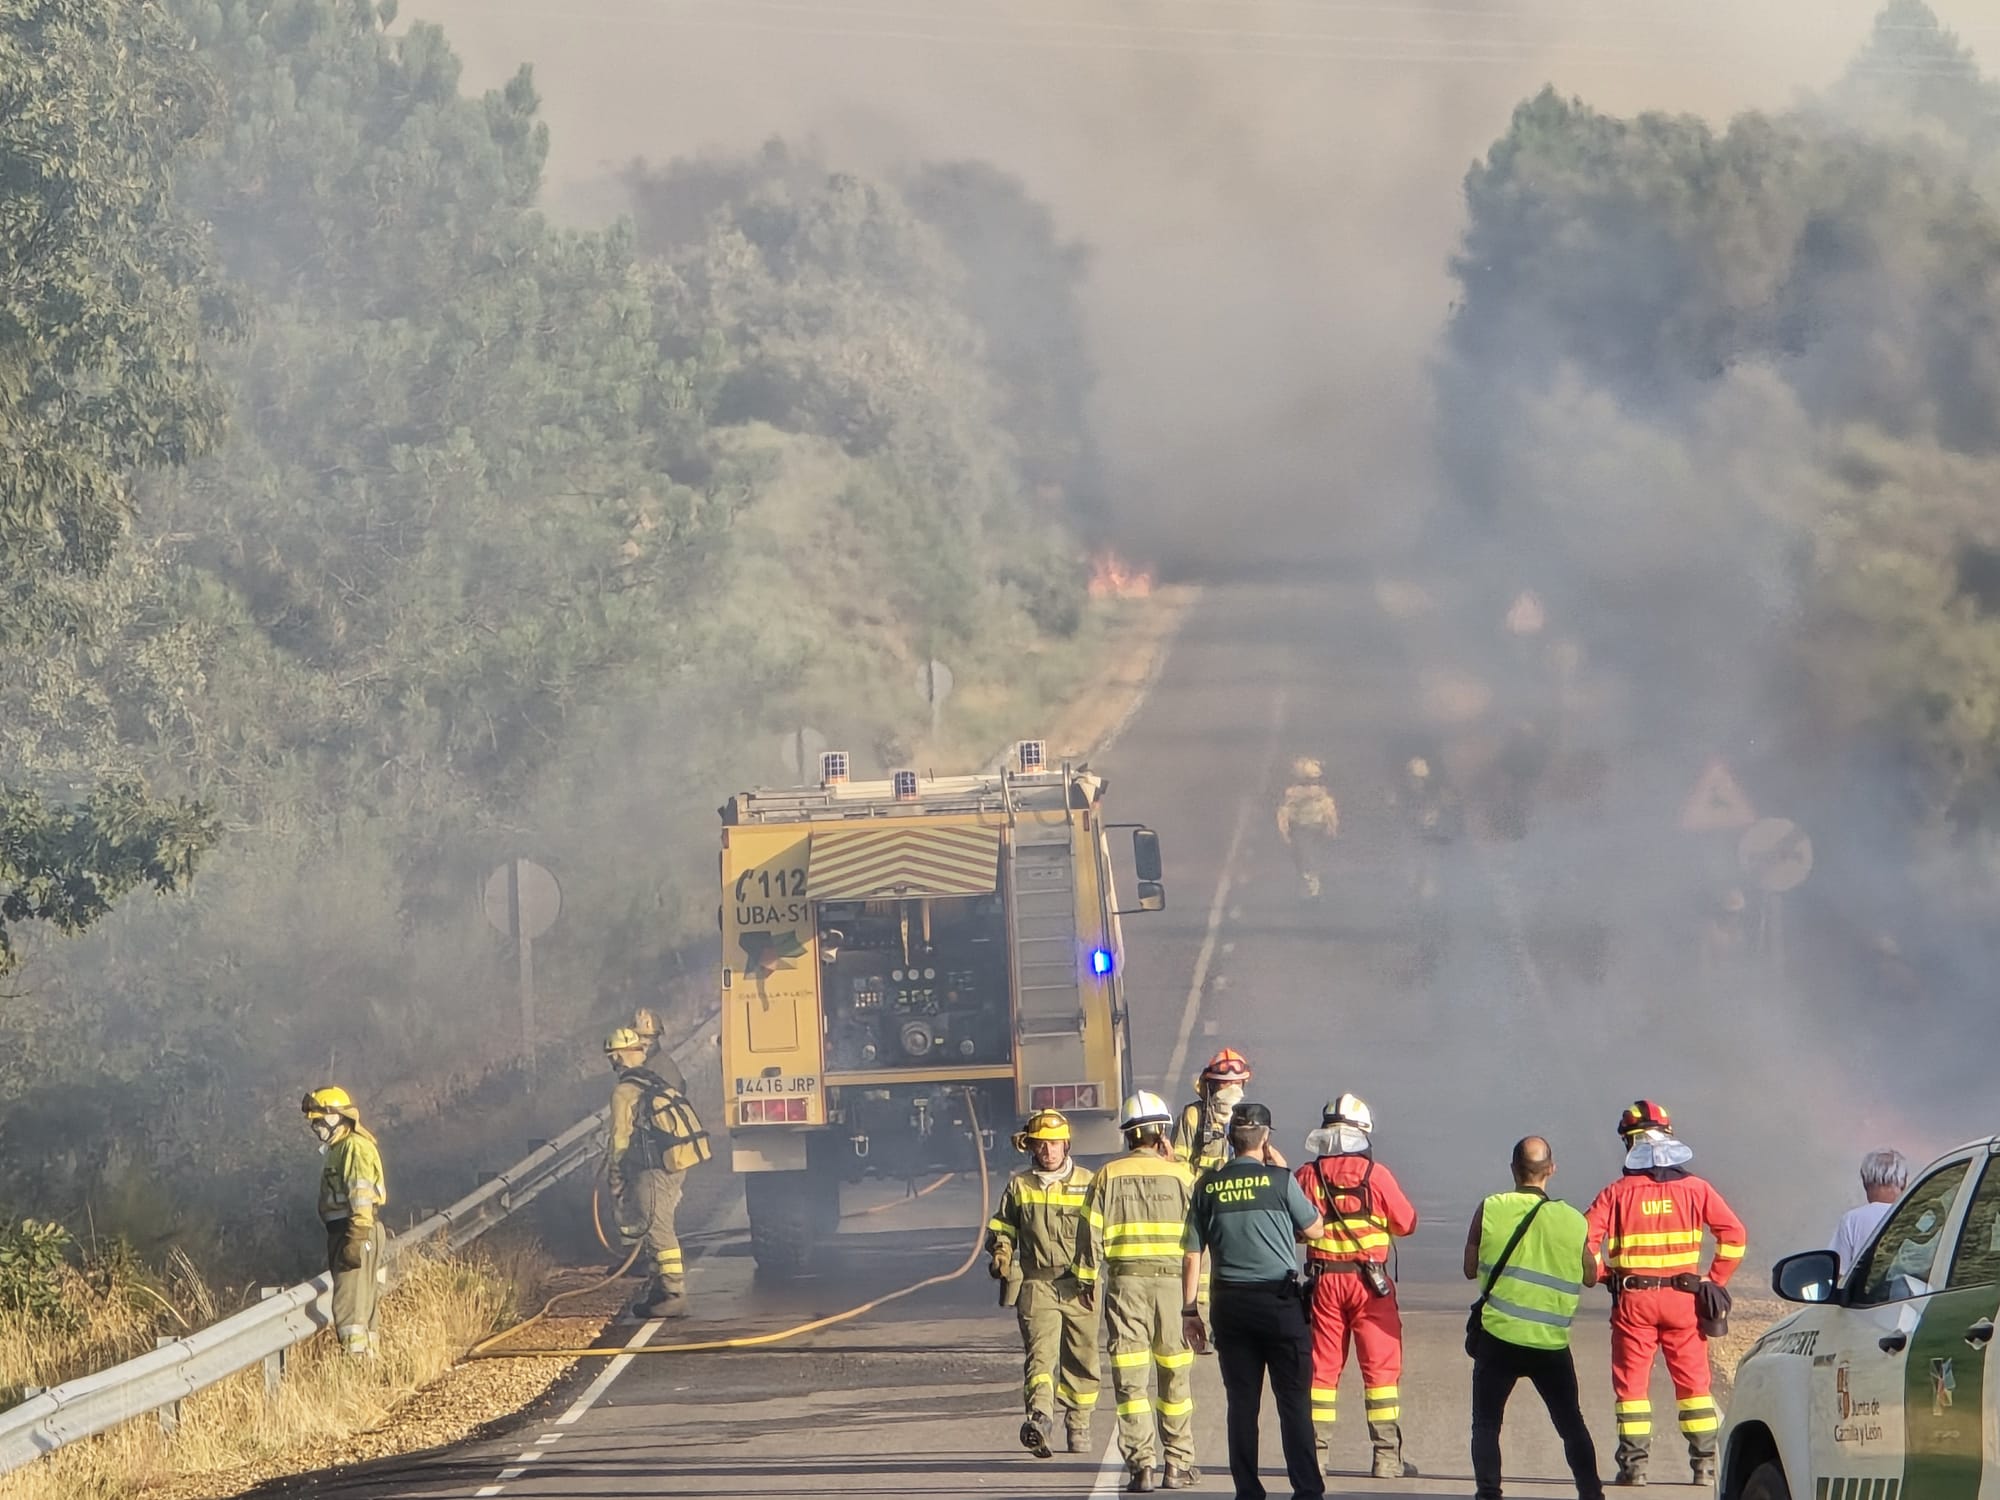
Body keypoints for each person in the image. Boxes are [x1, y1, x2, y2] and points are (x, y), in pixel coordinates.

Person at [1584, 1100, 1746, 1488]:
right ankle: (1704, 1466)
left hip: (1634, 1302)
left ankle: (1634, 1468)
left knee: (1632, 1387)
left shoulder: (1616, 1192)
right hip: (1685, 1302)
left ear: (1630, 1143)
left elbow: (1584, 1244)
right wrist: (1715, 1280)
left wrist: (1605, 1274)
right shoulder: (1697, 1189)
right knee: (1694, 1386)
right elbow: (1734, 1236)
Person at [1183, 1102, 1326, 1500]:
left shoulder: (1207, 1187)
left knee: (1242, 1404)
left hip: (1230, 1307)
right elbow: (1316, 1230)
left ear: (1230, 1140)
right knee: (1294, 1402)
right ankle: (1307, 1489)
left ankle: (1248, 1490)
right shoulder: (1280, 1181)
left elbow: (1193, 1253)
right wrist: (1281, 1167)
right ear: (1264, 1138)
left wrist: (1189, 1310)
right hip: (1279, 1305)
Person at [1465, 1137, 1604, 1500]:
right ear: (1551, 1170)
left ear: (1513, 1169)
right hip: (1550, 1343)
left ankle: (1489, 1494)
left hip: (1498, 1339)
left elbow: (1469, 1269)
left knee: (1486, 1425)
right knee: (1571, 1424)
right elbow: (1591, 1276)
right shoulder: (1574, 1221)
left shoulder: (1490, 1207)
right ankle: (1592, 1494)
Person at [1074, 1090, 1199, 1493]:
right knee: (1174, 1377)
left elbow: (1089, 1233)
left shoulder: (1107, 1175)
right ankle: (1177, 1465)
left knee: (1130, 1379)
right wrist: (1201, 1302)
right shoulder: (1182, 1175)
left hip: (1126, 1286)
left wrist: (1086, 1279)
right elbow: (1200, 1244)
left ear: (1127, 1135)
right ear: (1163, 1131)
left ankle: (1141, 1466)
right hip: (1175, 1288)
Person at [1294, 1094, 1420, 1479]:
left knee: (1321, 1371)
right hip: (1370, 1286)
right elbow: (1407, 1222)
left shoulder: (1306, 1175)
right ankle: (1386, 1459)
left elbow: (1296, 1230)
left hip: (1323, 1284)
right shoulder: (1376, 1175)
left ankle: (1315, 1457)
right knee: (1381, 1371)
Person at [987, 1108, 1100, 1458]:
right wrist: (1002, 1253)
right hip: (1037, 1284)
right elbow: (1003, 1226)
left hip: (1079, 1286)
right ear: (1032, 1147)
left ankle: (1078, 1424)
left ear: (1066, 1144)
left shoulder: (1089, 1182)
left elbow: (1101, 1233)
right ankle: (1040, 1419)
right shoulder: (1019, 1185)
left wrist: (1091, 1276)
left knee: (1082, 1359)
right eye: (1041, 1145)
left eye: (1054, 1144)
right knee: (1041, 1356)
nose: (1048, 1151)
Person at [605, 1025, 709, 1320]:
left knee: (658, 1228)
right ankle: (658, 1292)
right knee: (652, 1227)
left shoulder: (624, 1091)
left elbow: (620, 1137)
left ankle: (674, 1294)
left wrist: (616, 1173)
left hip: (652, 1170)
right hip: (672, 1163)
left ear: (616, 1058)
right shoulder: (654, 1080)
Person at [302, 1086, 388, 1357]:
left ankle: (357, 1366)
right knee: (361, 1306)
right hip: (349, 1232)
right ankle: (369, 1365)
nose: (316, 1127)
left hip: (354, 1232)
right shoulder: (340, 1148)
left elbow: (360, 1196)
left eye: (318, 1120)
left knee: (349, 1308)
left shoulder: (353, 1148)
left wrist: (356, 1237)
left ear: (334, 1117)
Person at [1829, 1149, 1907, 1273]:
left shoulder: (1851, 1220)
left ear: (1865, 1182)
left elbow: (1839, 1273)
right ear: (1904, 1184)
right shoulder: (1916, 1216)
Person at [1276, 757, 1339, 899]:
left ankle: (1311, 885)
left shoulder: (1317, 794)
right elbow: (1285, 812)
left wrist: (1331, 824)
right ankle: (1310, 883)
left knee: (1307, 857)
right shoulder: (1294, 794)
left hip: (1308, 829)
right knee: (1305, 856)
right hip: (1305, 828)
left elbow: (1328, 809)